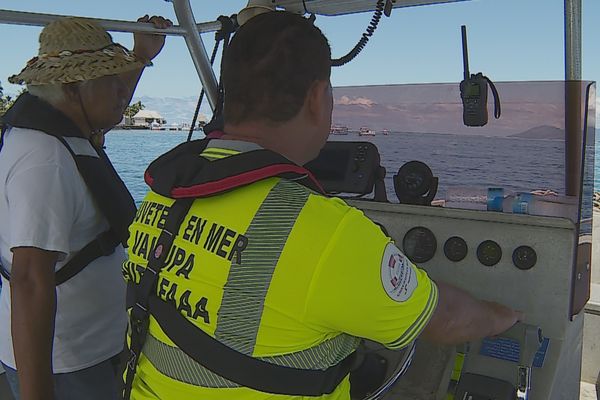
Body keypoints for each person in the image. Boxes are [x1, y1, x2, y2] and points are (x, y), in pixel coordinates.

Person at [122, 11, 522, 400]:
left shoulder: (166, 193)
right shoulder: (328, 231)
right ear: (317, 98)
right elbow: (446, 318)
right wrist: (500, 316)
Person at [0, 15, 171, 400]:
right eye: (112, 80)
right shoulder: (44, 160)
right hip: (70, 365)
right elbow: (29, 280)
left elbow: (102, 111)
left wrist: (142, 55)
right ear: (75, 88)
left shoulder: (63, 128)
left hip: (92, 348)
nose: (121, 92)